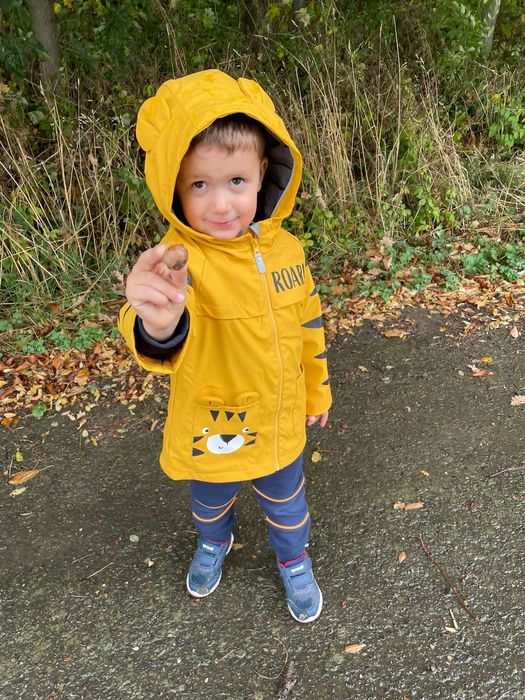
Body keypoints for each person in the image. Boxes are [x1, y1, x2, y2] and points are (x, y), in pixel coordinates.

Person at [119, 69, 332, 623]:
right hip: (212, 419)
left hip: (279, 414)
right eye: (199, 185)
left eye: (236, 181)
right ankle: (215, 541)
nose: (219, 205)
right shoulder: (178, 260)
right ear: (173, 187)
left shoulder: (288, 252)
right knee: (209, 501)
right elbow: (154, 326)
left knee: (288, 502)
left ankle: (294, 560)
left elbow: (310, 329)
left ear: (263, 175)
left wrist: (318, 393)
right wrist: (158, 324)